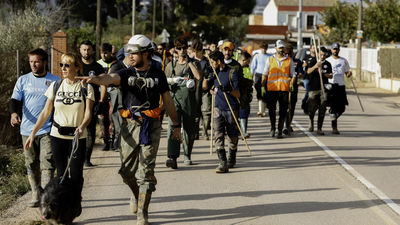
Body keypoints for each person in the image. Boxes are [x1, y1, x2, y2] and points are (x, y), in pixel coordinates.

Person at [78, 34, 182, 225]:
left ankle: (142, 212)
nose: (130, 56)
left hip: (151, 126)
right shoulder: (125, 73)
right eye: (128, 52)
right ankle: (136, 195)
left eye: (134, 52)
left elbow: (167, 100)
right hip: (129, 127)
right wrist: (95, 79)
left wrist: (176, 125)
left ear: (146, 53)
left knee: (146, 171)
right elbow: (110, 77)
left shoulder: (158, 74)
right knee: (126, 172)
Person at [25, 53, 94, 214]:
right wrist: (32, 133)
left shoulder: (86, 87)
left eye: (67, 65)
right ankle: (64, 207)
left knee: (76, 176)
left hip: (78, 136)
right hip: (57, 136)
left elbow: (88, 114)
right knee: (62, 175)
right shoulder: (55, 86)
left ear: (77, 67)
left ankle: (76, 201)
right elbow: (45, 112)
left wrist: (83, 126)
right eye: (61, 65)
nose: (63, 68)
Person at [9, 48, 60, 207]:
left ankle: (46, 196)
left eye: (37, 61)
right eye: (31, 61)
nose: (33, 64)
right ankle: (35, 193)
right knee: (30, 163)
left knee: (47, 163)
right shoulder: (23, 80)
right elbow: (15, 101)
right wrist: (13, 114)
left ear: (45, 62)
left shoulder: (55, 80)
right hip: (27, 130)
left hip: (47, 130)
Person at [164, 37, 202, 168]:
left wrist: (189, 62)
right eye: (179, 48)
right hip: (174, 100)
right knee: (173, 127)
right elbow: (164, 83)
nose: (182, 50)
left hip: (189, 101)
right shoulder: (170, 65)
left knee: (188, 128)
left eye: (184, 48)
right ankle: (172, 157)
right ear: (175, 49)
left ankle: (187, 154)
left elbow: (198, 77)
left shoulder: (192, 63)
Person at [202, 50, 240, 173]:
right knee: (218, 134)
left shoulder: (231, 72)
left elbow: (238, 94)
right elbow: (205, 87)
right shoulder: (214, 73)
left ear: (219, 61)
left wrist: (228, 90)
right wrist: (206, 76)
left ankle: (231, 157)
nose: (211, 64)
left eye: (213, 62)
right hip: (217, 108)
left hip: (231, 108)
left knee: (232, 135)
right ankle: (222, 163)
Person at [79, 40, 109, 164]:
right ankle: (75, 155)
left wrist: (101, 101)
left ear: (92, 50)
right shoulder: (76, 65)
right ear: (80, 50)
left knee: (90, 130)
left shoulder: (97, 67)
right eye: (84, 49)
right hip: (77, 102)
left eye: (89, 49)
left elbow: (103, 84)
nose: (86, 52)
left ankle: (87, 158)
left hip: (93, 103)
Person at [261, 40, 296, 139]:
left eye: (282, 47)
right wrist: (262, 86)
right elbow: (265, 74)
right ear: (275, 48)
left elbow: (293, 75)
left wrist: (292, 84)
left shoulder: (289, 60)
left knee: (283, 111)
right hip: (272, 89)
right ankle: (272, 127)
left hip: (284, 89)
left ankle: (280, 130)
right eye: (279, 47)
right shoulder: (270, 59)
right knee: (272, 110)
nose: (281, 49)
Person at [305, 46, 332, 135]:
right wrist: (316, 66)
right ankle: (311, 121)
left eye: (324, 55)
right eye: (321, 54)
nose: (322, 56)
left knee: (322, 107)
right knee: (312, 106)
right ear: (318, 54)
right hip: (313, 88)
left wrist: (325, 74)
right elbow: (308, 71)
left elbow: (331, 75)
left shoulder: (328, 64)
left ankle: (319, 128)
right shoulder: (312, 61)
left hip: (323, 89)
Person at [326, 42, 352, 134]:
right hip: (331, 85)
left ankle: (333, 116)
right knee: (333, 106)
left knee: (342, 108)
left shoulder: (343, 61)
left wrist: (349, 74)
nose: (335, 51)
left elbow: (347, 72)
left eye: (337, 49)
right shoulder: (327, 60)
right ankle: (334, 127)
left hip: (341, 85)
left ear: (339, 50)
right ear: (331, 50)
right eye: (334, 49)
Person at [192, 40, 212, 140]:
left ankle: (204, 132)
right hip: (194, 90)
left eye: (198, 51)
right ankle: (195, 133)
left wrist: (207, 80)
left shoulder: (207, 62)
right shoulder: (190, 62)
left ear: (201, 50)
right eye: (194, 51)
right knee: (195, 113)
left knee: (206, 111)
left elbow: (211, 74)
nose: (196, 53)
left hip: (205, 90)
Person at [283, 43, 303, 135]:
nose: (288, 55)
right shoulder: (282, 61)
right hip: (283, 86)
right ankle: (283, 125)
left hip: (293, 87)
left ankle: (288, 124)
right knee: (284, 106)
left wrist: (297, 75)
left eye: (289, 53)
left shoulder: (297, 61)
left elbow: (300, 73)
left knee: (291, 107)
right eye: (286, 53)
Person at [250, 41, 269, 117]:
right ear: (260, 48)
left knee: (266, 93)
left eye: (265, 48)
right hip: (258, 75)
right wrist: (251, 77)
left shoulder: (270, 56)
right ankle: (261, 110)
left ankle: (264, 108)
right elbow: (253, 68)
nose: (264, 50)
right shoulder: (257, 56)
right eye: (262, 48)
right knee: (259, 92)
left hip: (267, 76)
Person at [238, 52, 253, 138]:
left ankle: (243, 131)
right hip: (238, 93)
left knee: (245, 111)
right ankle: (240, 131)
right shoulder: (236, 67)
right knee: (238, 112)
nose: (249, 63)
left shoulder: (247, 68)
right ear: (243, 60)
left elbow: (249, 79)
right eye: (248, 61)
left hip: (246, 94)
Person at [301, 45, 317, 115]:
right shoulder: (306, 57)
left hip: (315, 78)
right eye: (313, 48)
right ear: (310, 49)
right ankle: (304, 103)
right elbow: (303, 65)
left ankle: (309, 106)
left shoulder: (318, 58)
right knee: (309, 91)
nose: (314, 49)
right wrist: (306, 63)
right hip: (307, 78)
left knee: (312, 93)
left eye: (315, 48)